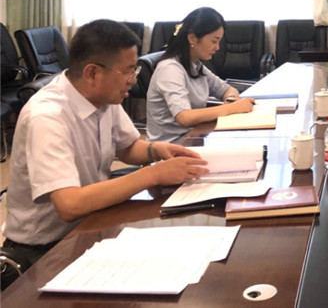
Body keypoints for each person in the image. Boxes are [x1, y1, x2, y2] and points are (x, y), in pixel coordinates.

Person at [2, 20, 209, 271]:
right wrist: (153, 174)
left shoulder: (103, 97)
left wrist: (155, 151)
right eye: (129, 71)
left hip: (92, 221)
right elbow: (70, 204)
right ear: (92, 73)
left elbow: (127, 148)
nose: (133, 80)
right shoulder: (47, 117)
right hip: (43, 249)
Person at [147, 7, 255, 143]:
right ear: (192, 38)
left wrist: (231, 100)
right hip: (170, 146)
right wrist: (230, 108)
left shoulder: (195, 64)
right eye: (214, 41)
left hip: (195, 136)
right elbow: (184, 117)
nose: (217, 47)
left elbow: (227, 90)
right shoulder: (170, 69)